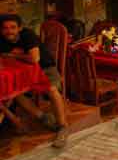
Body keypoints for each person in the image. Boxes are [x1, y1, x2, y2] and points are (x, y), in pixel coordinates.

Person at [0, 14, 68, 148]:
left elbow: (34, 59)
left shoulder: (28, 35)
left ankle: (62, 126)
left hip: (45, 68)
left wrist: (11, 54)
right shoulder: (1, 39)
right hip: (23, 72)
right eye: (5, 28)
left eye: (13, 27)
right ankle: (42, 117)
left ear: (19, 28)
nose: (9, 31)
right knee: (14, 92)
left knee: (52, 90)